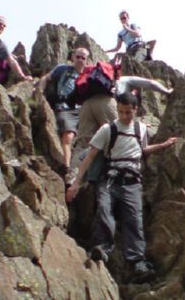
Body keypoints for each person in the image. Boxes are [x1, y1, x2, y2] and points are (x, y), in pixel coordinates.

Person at [66, 90, 177, 281]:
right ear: (117, 109)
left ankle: (137, 262)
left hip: (132, 181)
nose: (125, 116)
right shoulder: (107, 130)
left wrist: (163, 145)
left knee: (134, 219)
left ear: (135, 109)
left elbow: (142, 150)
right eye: (121, 112)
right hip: (109, 179)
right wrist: (76, 182)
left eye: (128, 112)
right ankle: (102, 248)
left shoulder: (140, 129)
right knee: (103, 210)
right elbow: (90, 156)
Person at [36, 47, 90, 176]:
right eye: (78, 57)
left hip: (83, 110)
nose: (80, 60)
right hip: (65, 107)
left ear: (87, 60)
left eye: (83, 58)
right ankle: (66, 167)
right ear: (72, 57)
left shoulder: (88, 76)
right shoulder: (62, 69)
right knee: (68, 135)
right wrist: (40, 92)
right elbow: (45, 78)